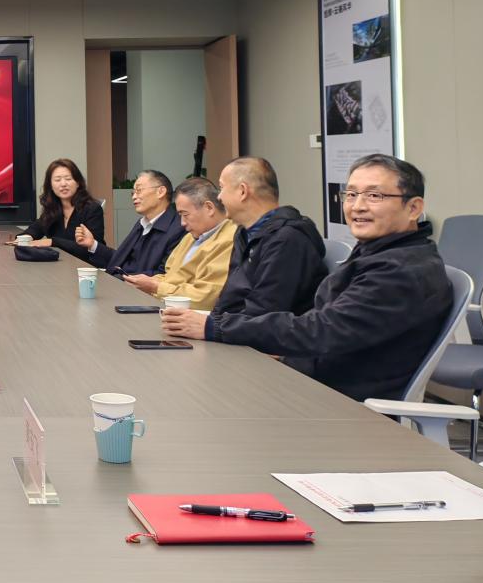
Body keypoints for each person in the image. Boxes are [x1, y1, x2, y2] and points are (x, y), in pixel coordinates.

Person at [163, 155, 452, 401]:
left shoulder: (400, 270)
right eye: (351, 194)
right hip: (311, 376)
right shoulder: (379, 252)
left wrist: (216, 327)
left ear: (413, 208)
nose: (357, 206)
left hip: (338, 403)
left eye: (374, 196)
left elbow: (322, 330)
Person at [209, 156, 325, 319]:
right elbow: (231, 299)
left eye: (222, 188)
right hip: (235, 328)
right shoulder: (244, 234)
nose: (219, 197)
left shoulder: (288, 240)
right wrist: (207, 322)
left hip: (264, 334)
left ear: (242, 191)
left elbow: (264, 313)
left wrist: (211, 327)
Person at [122, 177, 236, 309]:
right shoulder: (191, 237)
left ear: (209, 208)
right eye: (180, 215)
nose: (182, 223)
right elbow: (170, 275)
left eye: (185, 214)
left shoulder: (229, 240)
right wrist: (149, 281)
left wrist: (156, 287)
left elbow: (204, 297)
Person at [74, 169, 185, 275]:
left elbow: (164, 275)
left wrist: (124, 277)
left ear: (160, 192)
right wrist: (92, 244)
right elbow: (120, 259)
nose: (134, 196)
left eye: (139, 190)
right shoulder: (142, 224)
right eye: (133, 193)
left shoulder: (178, 228)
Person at [17, 158, 104, 261]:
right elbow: (35, 229)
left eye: (68, 179)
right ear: (50, 185)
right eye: (57, 180)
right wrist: (24, 238)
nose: (63, 184)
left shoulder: (92, 209)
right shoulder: (53, 208)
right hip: (60, 265)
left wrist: (53, 242)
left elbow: (93, 248)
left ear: (78, 183)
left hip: (86, 266)